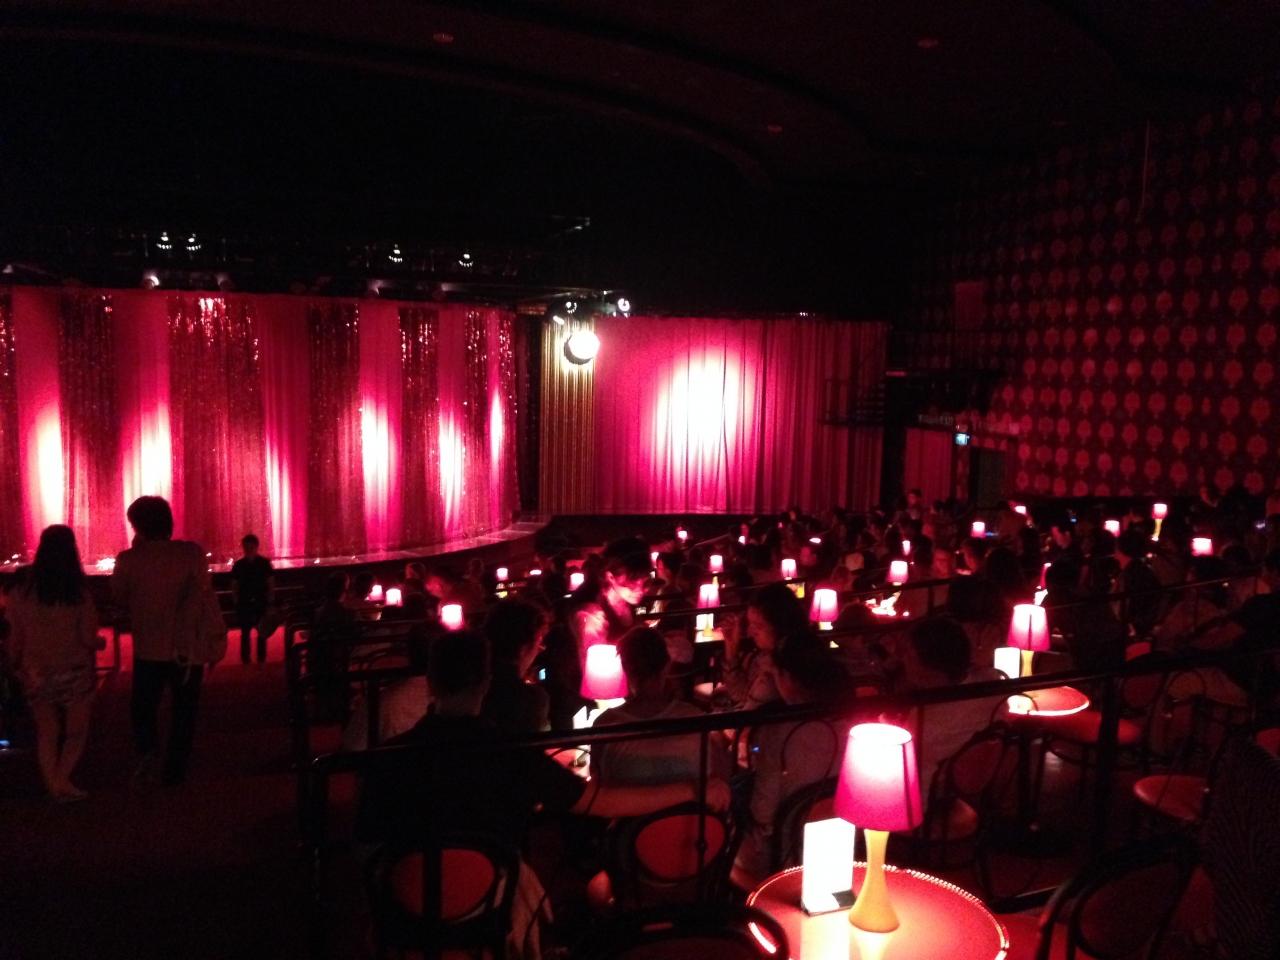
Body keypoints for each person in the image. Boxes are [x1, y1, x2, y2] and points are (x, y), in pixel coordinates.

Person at [112, 496, 215, 786]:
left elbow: (119, 596)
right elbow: (203, 592)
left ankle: (148, 753)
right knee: (184, 710)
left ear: (138, 526)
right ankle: (175, 769)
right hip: (186, 647)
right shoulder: (192, 553)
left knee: (143, 708)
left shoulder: (129, 560)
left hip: (149, 648)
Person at [733, 636, 848, 887]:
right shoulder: (852, 725)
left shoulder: (779, 732)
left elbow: (763, 813)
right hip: (839, 849)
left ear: (788, 678)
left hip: (785, 853)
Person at [5, 525, 104, 800]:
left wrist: (14, 664)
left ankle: (52, 783)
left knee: (47, 730)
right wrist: (100, 644)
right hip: (73, 669)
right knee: (76, 731)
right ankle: (61, 779)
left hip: (35, 670)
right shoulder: (78, 593)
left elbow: (16, 636)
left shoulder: (20, 593)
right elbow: (88, 637)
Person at [895, 617, 1004, 805]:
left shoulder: (925, 726)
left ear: (931, 668)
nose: (903, 660)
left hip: (931, 800)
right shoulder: (993, 687)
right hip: (969, 794)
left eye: (909, 655)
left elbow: (906, 780)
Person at [592, 626, 721, 786]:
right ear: (666, 666)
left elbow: (597, 789)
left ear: (625, 669)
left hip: (629, 803)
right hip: (687, 803)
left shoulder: (604, 726)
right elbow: (713, 782)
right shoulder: (697, 721)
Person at [720, 581, 810, 710]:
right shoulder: (763, 656)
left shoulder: (791, 666)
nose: (751, 632)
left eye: (758, 626)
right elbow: (741, 694)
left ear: (780, 625)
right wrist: (731, 648)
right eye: (750, 624)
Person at [481, 599, 551, 736]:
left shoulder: (474, 687)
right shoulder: (532, 699)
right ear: (523, 649)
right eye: (538, 644)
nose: (540, 650)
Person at [230, 533, 273, 664]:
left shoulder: (263, 563)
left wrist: (270, 599)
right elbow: (234, 585)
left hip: (259, 600)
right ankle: (247, 658)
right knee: (245, 631)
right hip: (246, 601)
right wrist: (236, 600)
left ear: (256, 547)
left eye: (250, 547)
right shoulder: (240, 565)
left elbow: (270, 583)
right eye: (246, 547)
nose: (248, 550)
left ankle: (259, 657)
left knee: (260, 631)